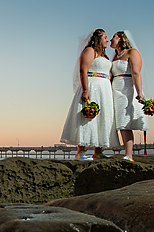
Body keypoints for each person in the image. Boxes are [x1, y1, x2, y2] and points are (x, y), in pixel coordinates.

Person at [59, 29, 119, 159]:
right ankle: (80, 152)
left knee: (102, 117)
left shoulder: (104, 55)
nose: (107, 40)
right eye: (105, 37)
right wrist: (86, 90)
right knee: (86, 118)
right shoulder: (89, 51)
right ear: (97, 38)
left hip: (104, 88)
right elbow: (83, 70)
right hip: (92, 85)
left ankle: (98, 151)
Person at [109, 30, 148, 161]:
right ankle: (126, 153)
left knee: (126, 122)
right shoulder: (115, 56)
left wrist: (139, 93)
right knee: (120, 123)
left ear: (121, 38)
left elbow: (136, 73)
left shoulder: (132, 52)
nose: (110, 39)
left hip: (127, 88)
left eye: (113, 37)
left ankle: (129, 155)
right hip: (116, 89)